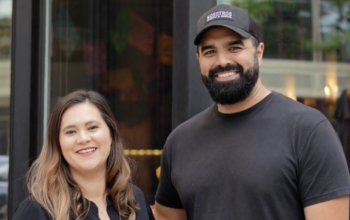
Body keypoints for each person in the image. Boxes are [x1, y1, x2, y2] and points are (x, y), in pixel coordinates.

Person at [153, 4, 350, 220]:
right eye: (210, 51)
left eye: (235, 48)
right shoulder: (180, 142)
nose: (222, 61)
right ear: (199, 59)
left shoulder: (308, 131)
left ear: (259, 52)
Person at [12, 90, 155, 220]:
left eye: (92, 127)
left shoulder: (134, 199)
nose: (83, 139)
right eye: (70, 132)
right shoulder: (37, 211)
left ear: (111, 134)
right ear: (57, 144)